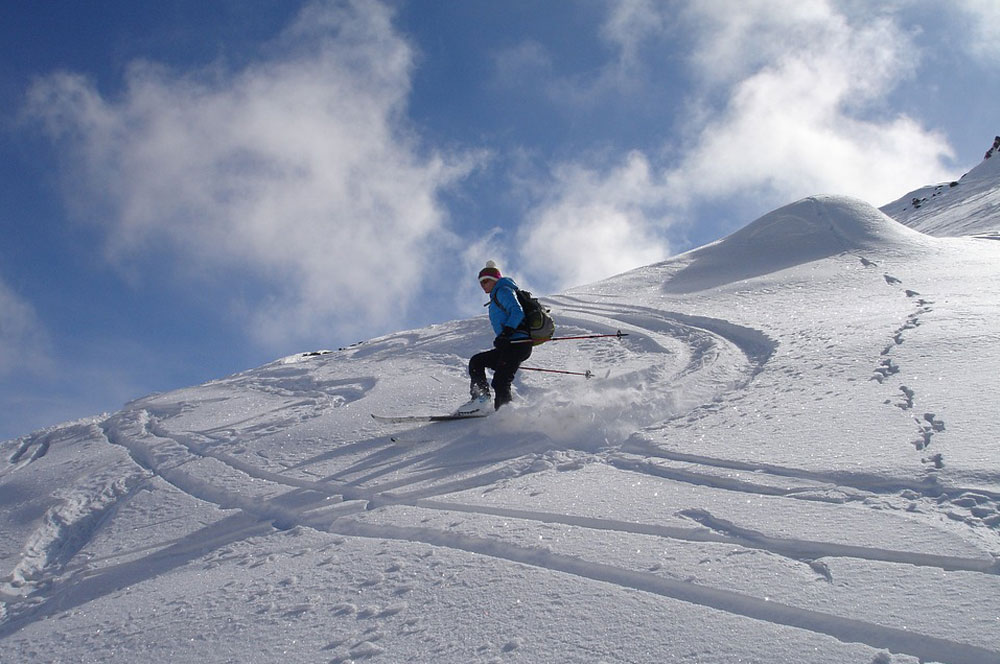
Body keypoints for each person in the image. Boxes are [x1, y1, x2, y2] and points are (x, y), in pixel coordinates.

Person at [467, 260, 533, 411]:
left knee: (501, 381)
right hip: (510, 344)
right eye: (481, 283)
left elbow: (517, 311)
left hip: (518, 344)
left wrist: (506, 333)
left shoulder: (503, 290)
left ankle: (506, 417)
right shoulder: (497, 295)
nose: (483, 285)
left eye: (486, 281)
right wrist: (504, 337)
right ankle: (481, 400)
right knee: (477, 362)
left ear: (495, 280)